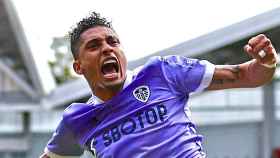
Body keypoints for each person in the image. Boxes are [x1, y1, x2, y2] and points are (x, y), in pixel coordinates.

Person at [40, 12, 278, 158]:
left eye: (113, 42)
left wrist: (266, 62)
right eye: (94, 45)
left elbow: (247, 75)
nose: (107, 48)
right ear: (79, 67)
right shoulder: (77, 120)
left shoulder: (163, 73)